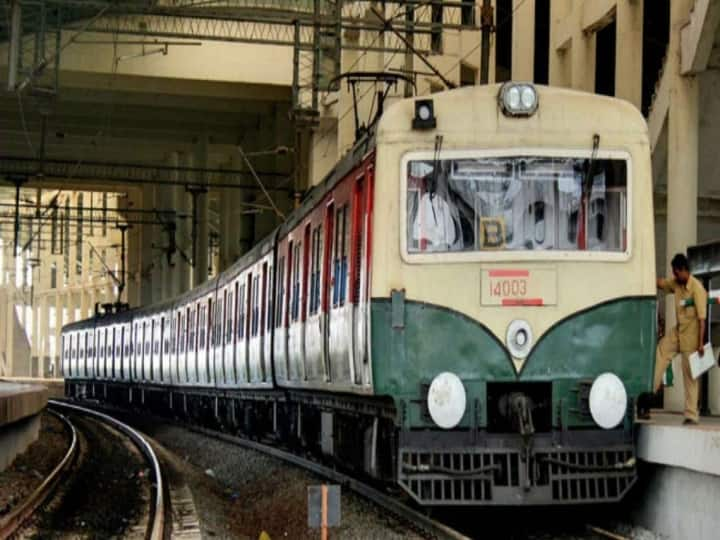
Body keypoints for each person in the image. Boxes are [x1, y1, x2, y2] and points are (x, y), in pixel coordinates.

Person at [652, 253, 708, 425]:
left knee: (690, 377)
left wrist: (700, 344)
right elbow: (662, 283)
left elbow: (702, 319)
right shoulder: (677, 283)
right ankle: (650, 391)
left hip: (692, 338)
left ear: (684, 270)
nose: (675, 276)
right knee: (661, 349)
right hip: (678, 333)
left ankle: (691, 414)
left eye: (676, 272)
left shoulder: (697, 289)